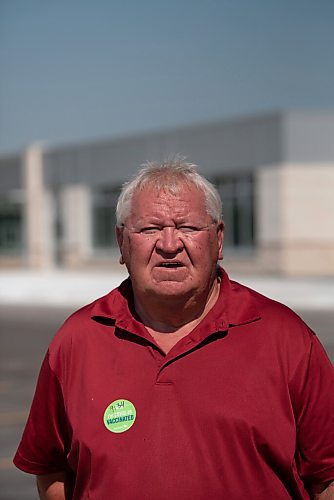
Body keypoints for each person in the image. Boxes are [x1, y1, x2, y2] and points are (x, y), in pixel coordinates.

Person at [14, 159, 334, 499]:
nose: (169, 244)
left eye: (188, 227)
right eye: (149, 229)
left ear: (219, 240)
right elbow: (50, 468)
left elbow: (328, 474)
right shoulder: (77, 340)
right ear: (122, 243)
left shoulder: (285, 338)